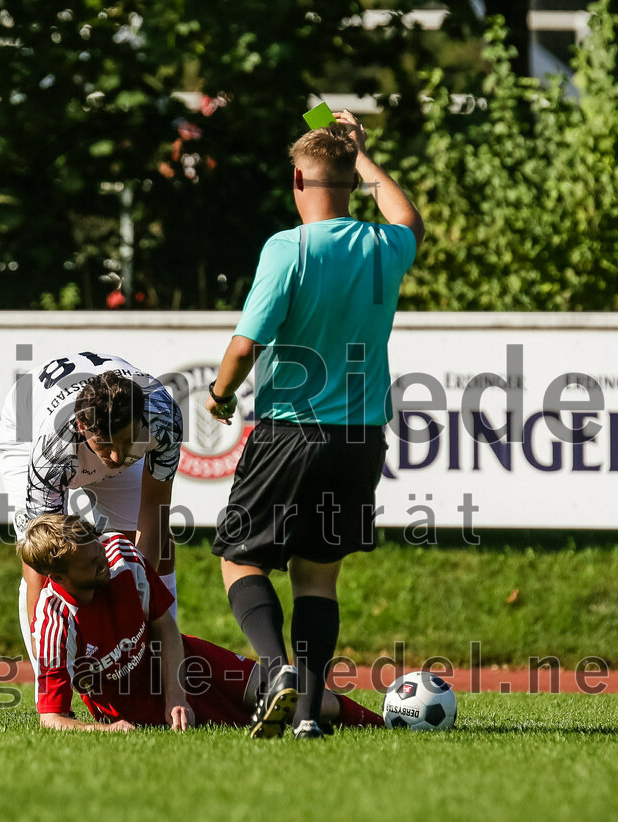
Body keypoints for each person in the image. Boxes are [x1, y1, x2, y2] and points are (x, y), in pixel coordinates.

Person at [205, 111, 424, 739]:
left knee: (240, 559)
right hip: (360, 440)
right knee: (317, 574)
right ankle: (308, 717)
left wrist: (220, 396)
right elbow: (408, 219)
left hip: (291, 432)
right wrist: (362, 155)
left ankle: (276, 670)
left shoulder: (287, 248)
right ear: (349, 181)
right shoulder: (384, 248)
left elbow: (246, 346)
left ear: (299, 179)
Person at [19, 514, 383, 733]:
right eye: (91, 564)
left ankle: (390, 724)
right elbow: (52, 718)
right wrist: (108, 732)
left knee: (307, 701)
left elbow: (164, 627)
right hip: (135, 707)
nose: (103, 561)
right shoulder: (54, 623)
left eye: (98, 548)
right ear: (58, 575)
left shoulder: (120, 554)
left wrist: (176, 695)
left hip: (188, 662)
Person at [0, 353, 182, 666]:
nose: (117, 456)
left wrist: (135, 610)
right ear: (83, 426)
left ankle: (158, 661)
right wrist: (53, 686)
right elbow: (39, 567)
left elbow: (154, 513)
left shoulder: (162, 418)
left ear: (140, 420)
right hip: (27, 431)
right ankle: (49, 671)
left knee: (156, 545)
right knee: (50, 556)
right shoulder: (51, 451)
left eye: (126, 441)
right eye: (106, 444)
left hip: (92, 428)